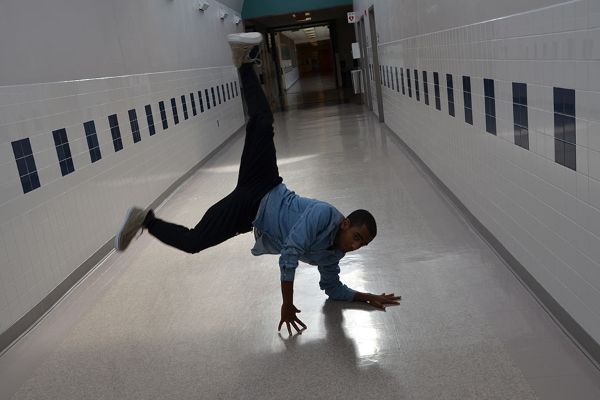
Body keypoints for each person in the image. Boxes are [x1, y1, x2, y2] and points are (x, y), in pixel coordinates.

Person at [114, 32, 401, 335]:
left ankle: (146, 220)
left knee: (194, 241)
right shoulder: (324, 215)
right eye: (356, 237)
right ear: (345, 223)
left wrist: (367, 297)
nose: (355, 247)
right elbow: (290, 251)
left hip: (247, 211)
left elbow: (332, 288)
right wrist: (287, 303)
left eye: (361, 244)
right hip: (265, 183)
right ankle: (243, 62)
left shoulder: (333, 255)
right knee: (263, 121)